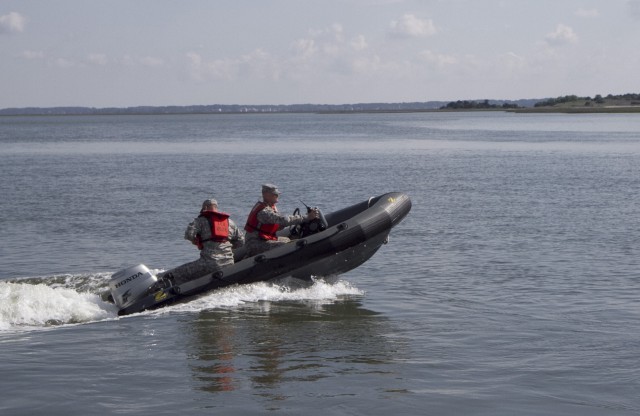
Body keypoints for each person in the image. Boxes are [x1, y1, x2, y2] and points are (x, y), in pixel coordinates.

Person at [161, 198, 244, 286]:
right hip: (229, 263)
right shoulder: (229, 222)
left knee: (177, 273)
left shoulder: (200, 221)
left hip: (208, 263)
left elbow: (189, 234)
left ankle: (173, 290)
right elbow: (241, 241)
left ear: (204, 208)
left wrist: (196, 241)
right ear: (216, 208)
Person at [243, 183, 318, 257]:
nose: (277, 196)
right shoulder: (263, 212)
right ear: (266, 195)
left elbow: (278, 225)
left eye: (277, 194)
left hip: (263, 239)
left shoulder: (271, 207)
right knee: (284, 246)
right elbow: (283, 220)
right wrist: (306, 217)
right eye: (274, 194)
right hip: (255, 244)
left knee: (287, 240)